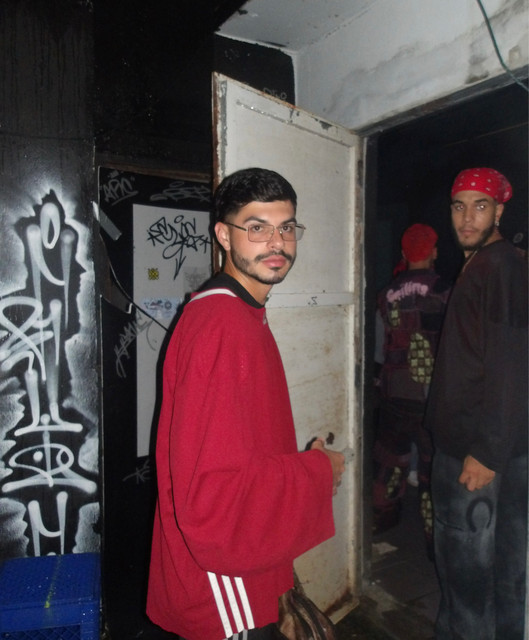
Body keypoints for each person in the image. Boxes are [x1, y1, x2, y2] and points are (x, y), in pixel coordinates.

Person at [146, 167, 345, 640]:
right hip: (222, 582)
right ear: (223, 235)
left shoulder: (241, 312)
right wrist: (319, 470)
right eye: (256, 228)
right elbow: (213, 493)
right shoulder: (222, 325)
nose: (276, 243)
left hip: (234, 568)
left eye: (286, 227)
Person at [426, 168, 528, 639]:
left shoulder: (498, 266)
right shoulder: (489, 264)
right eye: (459, 206)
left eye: (480, 206)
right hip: (496, 445)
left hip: (475, 450)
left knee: (464, 576)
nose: (467, 218)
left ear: (499, 211)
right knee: (505, 568)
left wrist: (486, 451)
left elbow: (512, 362)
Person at [372, 224, 450, 555]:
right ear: (434, 252)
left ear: (404, 254)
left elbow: (379, 350)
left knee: (391, 460)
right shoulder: (446, 291)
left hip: (393, 395)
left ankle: (384, 517)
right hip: (431, 400)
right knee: (432, 471)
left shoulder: (385, 294)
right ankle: (434, 541)